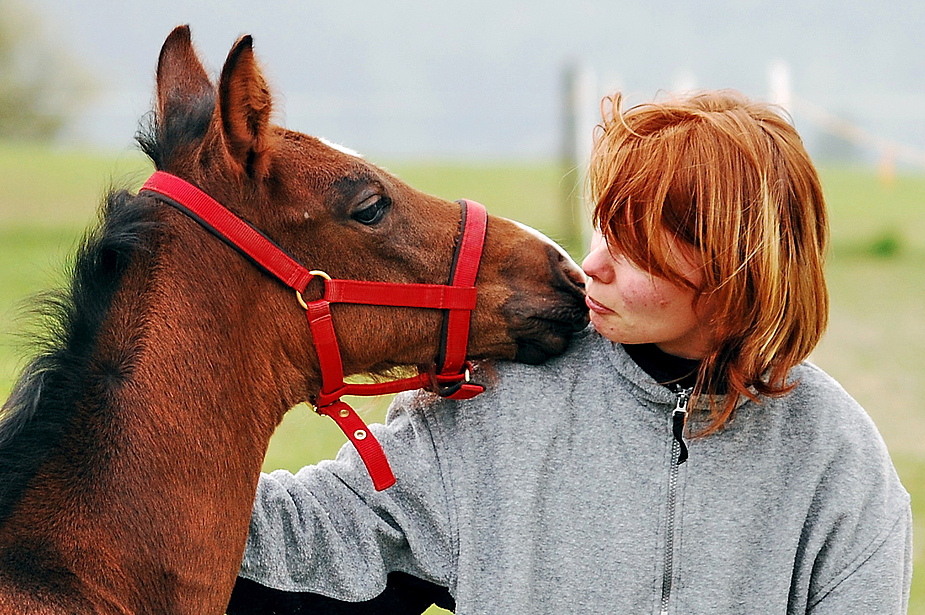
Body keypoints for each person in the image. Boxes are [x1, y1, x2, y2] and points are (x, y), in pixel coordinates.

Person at [228, 90, 912, 614]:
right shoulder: (504, 397)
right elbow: (309, 540)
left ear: (736, 273)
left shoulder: (836, 461)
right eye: (602, 230)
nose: (591, 266)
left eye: (635, 250)